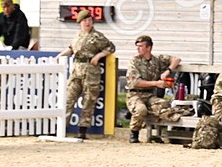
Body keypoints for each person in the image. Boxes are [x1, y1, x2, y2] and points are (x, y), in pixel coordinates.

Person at [57, 9, 115, 139]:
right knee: (68, 99)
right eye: (85, 21)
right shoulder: (78, 35)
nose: (88, 23)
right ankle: (62, 128)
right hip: (77, 70)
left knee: (89, 100)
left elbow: (110, 47)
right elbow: (71, 48)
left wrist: (99, 56)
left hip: (90, 71)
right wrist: (60, 55)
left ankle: (82, 130)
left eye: (90, 20)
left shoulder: (97, 36)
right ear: (80, 23)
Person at [125, 35, 183, 143]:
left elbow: (177, 59)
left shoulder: (157, 60)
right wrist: (156, 83)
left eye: (141, 46)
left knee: (164, 105)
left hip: (150, 95)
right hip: (135, 94)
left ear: (149, 48)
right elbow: (135, 82)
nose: (138, 49)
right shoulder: (134, 61)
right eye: (137, 46)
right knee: (141, 110)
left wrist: (167, 71)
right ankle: (134, 133)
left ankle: (169, 133)